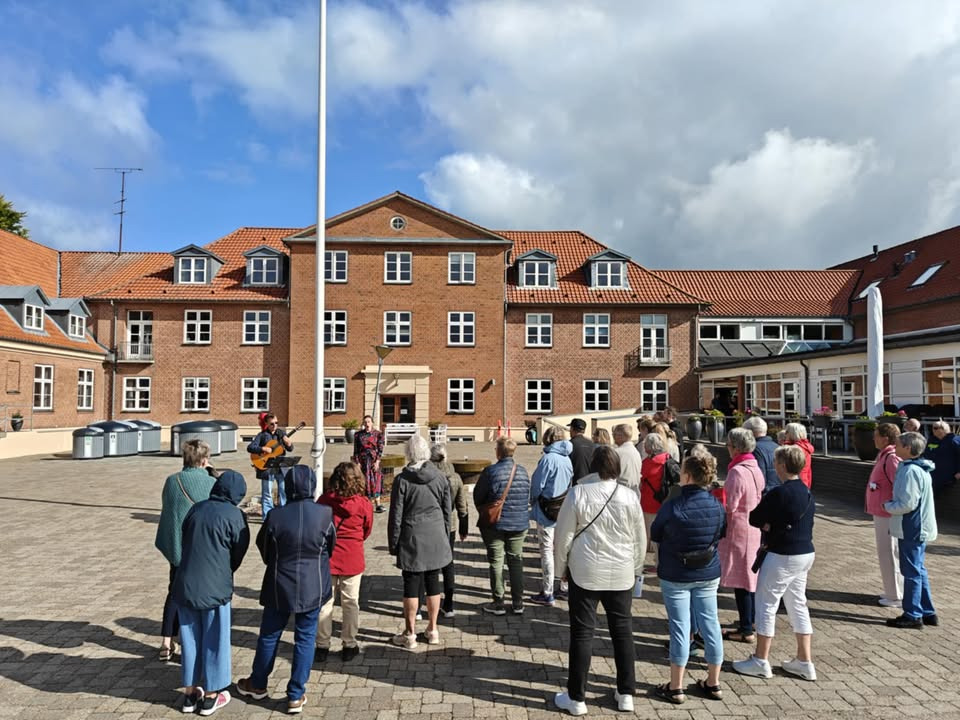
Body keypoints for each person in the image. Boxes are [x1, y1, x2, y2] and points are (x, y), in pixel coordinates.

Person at [553, 446, 646, 715]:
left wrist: (561, 569)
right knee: (622, 632)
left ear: (593, 467)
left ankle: (577, 697)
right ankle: (626, 692)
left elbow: (564, 537)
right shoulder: (630, 496)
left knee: (582, 633)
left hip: (586, 570)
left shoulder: (578, 493)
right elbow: (640, 539)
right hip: (621, 571)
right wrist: (636, 570)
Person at [236, 465, 337, 714]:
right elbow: (329, 548)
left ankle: (258, 683)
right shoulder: (325, 514)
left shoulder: (276, 516)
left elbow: (265, 549)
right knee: (304, 638)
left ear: (289, 486)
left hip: (280, 584)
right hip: (313, 585)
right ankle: (295, 694)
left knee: (270, 635)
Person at [733, 445, 817, 682]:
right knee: (798, 603)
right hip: (804, 553)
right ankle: (804, 660)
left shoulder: (778, 493)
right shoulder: (807, 491)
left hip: (782, 554)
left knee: (766, 603)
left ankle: (760, 659)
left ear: (781, 465)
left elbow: (755, 517)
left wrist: (770, 525)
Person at [649, 454, 726, 705]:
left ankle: (676, 685)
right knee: (710, 623)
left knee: (680, 628)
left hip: (676, 573)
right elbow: (721, 532)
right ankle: (713, 681)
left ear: (688, 476)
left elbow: (656, 533)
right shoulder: (716, 505)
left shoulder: (673, 505)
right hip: (707, 570)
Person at [173, 470, 250, 715]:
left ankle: (189, 693)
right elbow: (238, 553)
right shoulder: (236, 516)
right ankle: (212, 694)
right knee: (215, 638)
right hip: (216, 586)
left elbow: (184, 538)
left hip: (185, 583)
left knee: (190, 638)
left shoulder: (196, 509)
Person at [155, 439, 217, 663]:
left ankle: (165, 641)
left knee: (174, 592)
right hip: (201, 550)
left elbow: (169, 512)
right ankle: (191, 642)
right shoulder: (210, 483)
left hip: (177, 545)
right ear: (203, 460)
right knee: (198, 595)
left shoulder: (172, 481)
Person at [388, 435, 452, 648]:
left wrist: (393, 543)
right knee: (434, 582)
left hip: (412, 536)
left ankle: (410, 634)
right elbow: (446, 511)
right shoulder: (441, 477)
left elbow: (396, 515)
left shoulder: (402, 480)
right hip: (435, 534)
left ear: (409, 453)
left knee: (411, 585)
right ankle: (433, 629)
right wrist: (445, 535)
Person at [315, 461, 373, 663]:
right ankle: (349, 643)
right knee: (351, 602)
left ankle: (322, 644)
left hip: (328, 557)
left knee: (324, 602)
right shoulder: (364, 504)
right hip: (352, 556)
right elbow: (367, 529)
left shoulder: (324, 500)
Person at [884, 431, 939, 629]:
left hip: (912, 527)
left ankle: (912, 614)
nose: (895, 447)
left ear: (907, 448)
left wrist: (887, 505)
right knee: (918, 569)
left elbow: (907, 503)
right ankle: (927, 611)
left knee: (911, 571)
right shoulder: (918, 468)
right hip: (917, 526)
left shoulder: (909, 471)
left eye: (898, 445)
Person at [474, 436, 531, 615]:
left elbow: (478, 496)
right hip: (519, 523)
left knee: (496, 562)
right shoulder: (522, 471)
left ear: (498, 451)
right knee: (516, 561)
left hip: (495, 524)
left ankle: (498, 602)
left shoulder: (490, 471)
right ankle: (518, 602)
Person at [718, 428, 765, 643]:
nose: (727, 449)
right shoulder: (754, 466)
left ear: (736, 448)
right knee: (749, 578)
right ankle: (751, 620)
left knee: (742, 581)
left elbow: (730, 504)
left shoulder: (737, 471)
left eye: (728, 445)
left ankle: (746, 629)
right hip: (752, 528)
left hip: (739, 530)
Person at [528, 427, 573, 606]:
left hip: (547, 509)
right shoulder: (567, 459)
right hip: (563, 508)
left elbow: (537, 485)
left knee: (546, 550)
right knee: (563, 549)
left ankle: (547, 591)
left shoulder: (548, 459)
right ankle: (563, 587)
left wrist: (533, 500)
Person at [866, 423, 903, 608]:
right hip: (882, 510)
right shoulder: (884, 455)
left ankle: (895, 594)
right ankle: (892, 590)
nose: (873, 438)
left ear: (886, 438)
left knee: (889, 552)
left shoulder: (891, 457)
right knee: (885, 552)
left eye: (876, 435)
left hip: (888, 512)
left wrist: (891, 505)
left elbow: (899, 483)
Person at [430, 443, 469, 617]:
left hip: (431, 524)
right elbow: (463, 506)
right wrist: (464, 527)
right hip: (450, 525)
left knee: (429, 564)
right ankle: (449, 604)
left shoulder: (429, 476)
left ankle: (429, 600)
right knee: (448, 562)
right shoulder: (455, 477)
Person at [247, 413, 294, 518]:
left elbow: (290, 449)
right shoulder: (262, 435)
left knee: (283, 491)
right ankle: (267, 518)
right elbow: (250, 447)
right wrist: (262, 448)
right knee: (267, 493)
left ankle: (284, 516)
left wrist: (289, 444)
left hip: (281, 466)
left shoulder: (281, 434)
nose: (275, 425)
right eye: (272, 424)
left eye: (276, 423)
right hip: (266, 467)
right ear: (267, 424)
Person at [640, 432, 671, 567]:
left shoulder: (648, 463)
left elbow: (640, 480)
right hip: (666, 501)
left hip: (650, 503)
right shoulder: (667, 458)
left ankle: (657, 562)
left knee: (652, 534)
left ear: (649, 447)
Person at [353, 414, 386, 513]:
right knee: (364, 482)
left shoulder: (378, 434)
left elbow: (380, 449)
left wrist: (377, 461)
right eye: (365, 422)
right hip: (363, 462)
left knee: (376, 482)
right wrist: (357, 463)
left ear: (372, 423)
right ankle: (366, 505)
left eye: (369, 422)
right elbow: (356, 451)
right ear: (363, 423)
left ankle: (378, 504)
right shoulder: (358, 435)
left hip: (373, 461)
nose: (367, 424)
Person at [743, 416, 779, 493]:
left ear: (749, 433)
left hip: (765, 495)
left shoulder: (754, 449)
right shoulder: (777, 446)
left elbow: (758, 478)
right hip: (779, 492)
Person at [926, 420, 960, 499]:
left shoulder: (954, 440)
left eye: (935, 428)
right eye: (933, 428)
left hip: (950, 479)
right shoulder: (931, 440)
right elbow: (926, 454)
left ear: (944, 429)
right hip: (933, 476)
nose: (933, 430)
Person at [614, 423, 643, 496]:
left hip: (621, 492)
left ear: (621, 436)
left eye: (615, 435)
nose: (614, 438)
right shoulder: (635, 451)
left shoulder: (617, 452)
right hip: (634, 491)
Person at [783, 422, 814, 489]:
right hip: (804, 480)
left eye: (787, 431)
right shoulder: (806, 447)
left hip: (793, 482)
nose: (785, 434)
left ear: (793, 433)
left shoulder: (794, 449)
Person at [568, 418, 595, 483]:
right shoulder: (592, 444)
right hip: (590, 482)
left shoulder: (569, 444)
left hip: (575, 483)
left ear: (572, 429)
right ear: (583, 430)